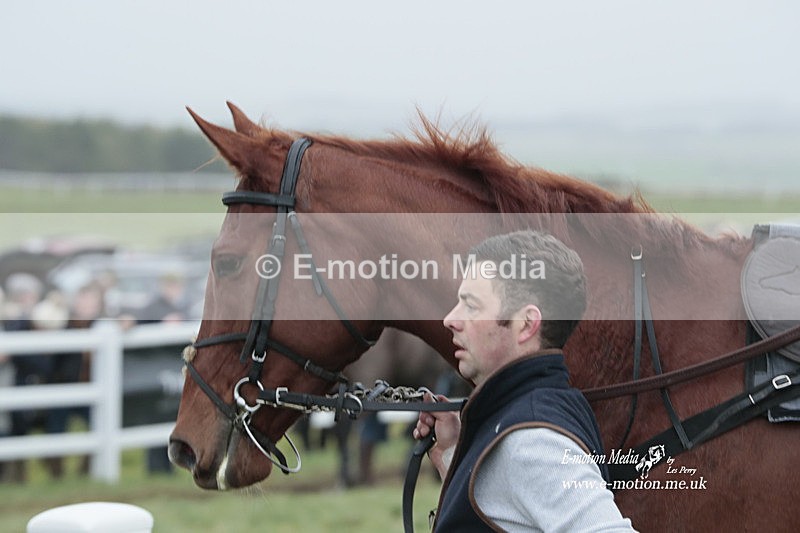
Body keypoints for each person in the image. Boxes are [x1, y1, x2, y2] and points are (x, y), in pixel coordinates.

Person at [413, 230, 636, 532]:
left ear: (527, 324)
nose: (450, 319)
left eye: (472, 306)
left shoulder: (534, 441)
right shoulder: (528, 415)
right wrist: (452, 453)